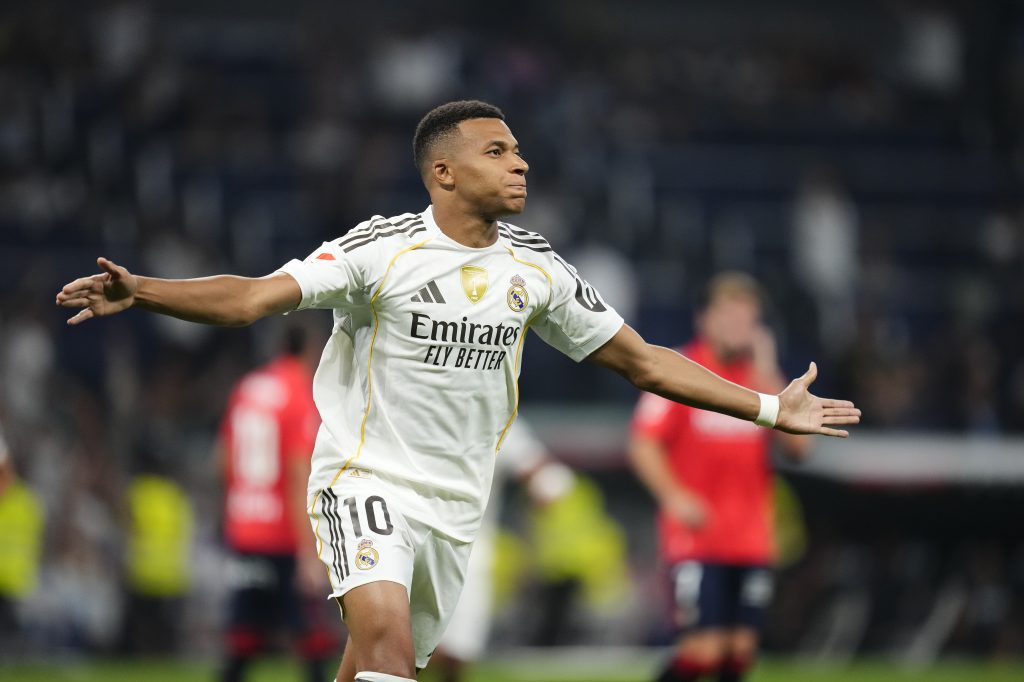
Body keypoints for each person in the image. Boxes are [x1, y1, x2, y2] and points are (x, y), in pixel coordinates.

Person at [56, 100, 860, 682]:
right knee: (384, 648)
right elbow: (252, 297)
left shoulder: (535, 269)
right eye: (499, 150)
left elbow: (644, 361)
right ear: (443, 172)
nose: (521, 163)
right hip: (364, 479)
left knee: (377, 664)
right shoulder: (383, 251)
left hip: (455, 507)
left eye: (518, 151)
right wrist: (147, 291)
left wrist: (765, 407)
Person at [629, 272, 812, 682]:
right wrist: (674, 496)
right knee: (702, 653)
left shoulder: (762, 384)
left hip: (751, 538)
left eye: (747, 320)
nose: (738, 328)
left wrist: (767, 370)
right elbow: (643, 444)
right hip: (696, 537)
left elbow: (799, 450)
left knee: (739, 654)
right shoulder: (681, 372)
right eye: (729, 317)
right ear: (705, 320)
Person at [216, 324, 339, 682]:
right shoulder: (298, 392)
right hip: (283, 534)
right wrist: (309, 550)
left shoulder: (247, 388)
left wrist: (238, 505)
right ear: (312, 347)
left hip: (244, 528)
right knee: (314, 639)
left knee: (244, 639)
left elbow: (222, 458)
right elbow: (299, 471)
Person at [427, 417, 575, 681]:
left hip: (469, 548)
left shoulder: (496, 413)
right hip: (411, 536)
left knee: (459, 650)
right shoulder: (417, 405)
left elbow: (545, 477)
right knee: (401, 641)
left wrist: (545, 485)